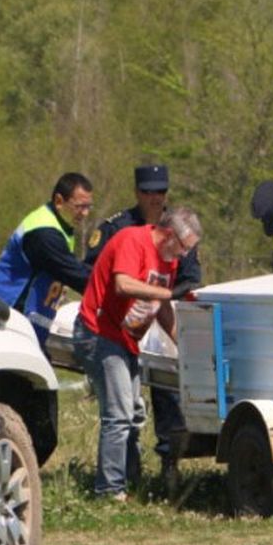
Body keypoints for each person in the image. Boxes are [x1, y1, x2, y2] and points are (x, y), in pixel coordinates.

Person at [72, 205, 202, 500]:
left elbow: (162, 306)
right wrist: (169, 293)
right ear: (168, 234)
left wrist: (182, 343)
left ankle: (131, 480)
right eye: (183, 248)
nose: (183, 256)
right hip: (98, 334)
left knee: (133, 413)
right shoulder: (132, 240)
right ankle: (109, 490)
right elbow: (124, 284)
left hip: (125, 338)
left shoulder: (167, 260)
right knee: (118, 415)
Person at [0, 173, 95, 347]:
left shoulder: (61, 226)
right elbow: (76, 275)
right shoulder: (43, 232)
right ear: (59, 201)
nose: (85, 213)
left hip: (27, 326)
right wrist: (115, 289)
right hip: (9, 321)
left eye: (89, 207)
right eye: (80, 206)